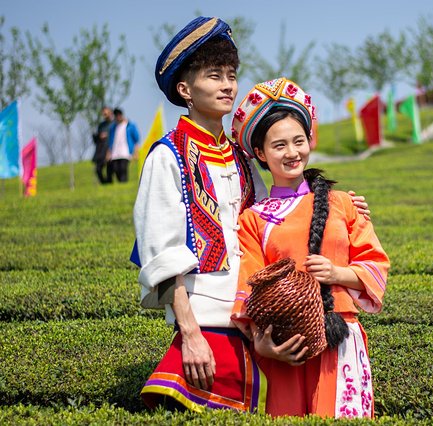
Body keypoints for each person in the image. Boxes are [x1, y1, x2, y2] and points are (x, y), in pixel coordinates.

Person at [132, 17, 369, 414]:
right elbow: (163, 253)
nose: (227, 85)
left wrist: (339, 209)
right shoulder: (167, 156)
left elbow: (275, 225)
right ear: (185, 89)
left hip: (257, 328)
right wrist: (189, 332)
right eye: (214, 76)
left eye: (231, 75)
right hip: (206, 329)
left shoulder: (242, 158)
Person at [231, 78, 390, 418]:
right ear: (260, 153)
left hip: (339, 334)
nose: (292, 153)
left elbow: (375, 262)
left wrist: (337, 273)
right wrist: (263, 342)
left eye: (298, 141)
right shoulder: (253, 219)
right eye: (279, 145)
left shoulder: (342, 203)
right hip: (284, 345)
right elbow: (250, 281)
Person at [106, 107, 139, 182]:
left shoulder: (130, 125)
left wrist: (136, 152)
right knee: (116, 169)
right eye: (116, 115)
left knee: (123, 168)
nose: (118, 117)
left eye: (119, 115)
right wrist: (109, 152)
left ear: (121, 115)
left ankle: (124, 183)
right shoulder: (113, 127)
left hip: (125, 151)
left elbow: (136, 139)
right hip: (115, 152)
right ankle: (121, 183)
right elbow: (110, 140)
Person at [92, 106, 113, 184]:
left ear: (110, 113)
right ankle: (104, 184)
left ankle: (109, 184)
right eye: (103, 113)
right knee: (98, 169)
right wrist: (98, 136)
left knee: (109, 170)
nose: (104, 114)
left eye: (106, 113)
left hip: (111, 149)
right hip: (101, 150)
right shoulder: (101, 125)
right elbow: (97, 140)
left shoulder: (114, 124)